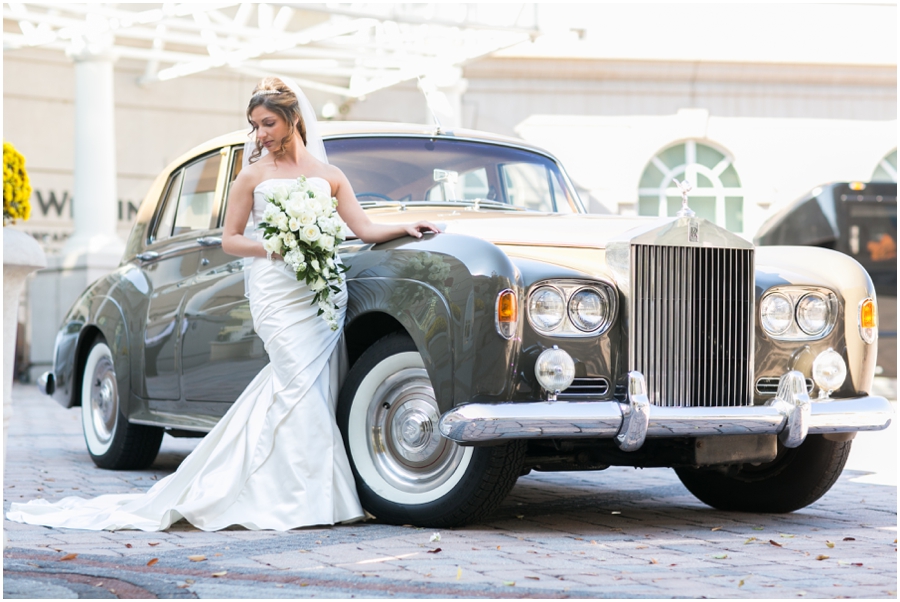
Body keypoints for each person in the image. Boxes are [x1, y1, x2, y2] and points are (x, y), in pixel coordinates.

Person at [6, 77, 440, 531]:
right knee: (296, 385)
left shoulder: (330, 176)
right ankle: (305, 500)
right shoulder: (251, 175)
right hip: (276, 291)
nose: (261, 134)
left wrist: (405, 228)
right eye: (254, 125)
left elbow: (363, 229)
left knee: (313, 389)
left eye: (268, 123)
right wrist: (274, 248)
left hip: (318, 295)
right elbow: (231, 240)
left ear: (294, 119)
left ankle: (310, 493)